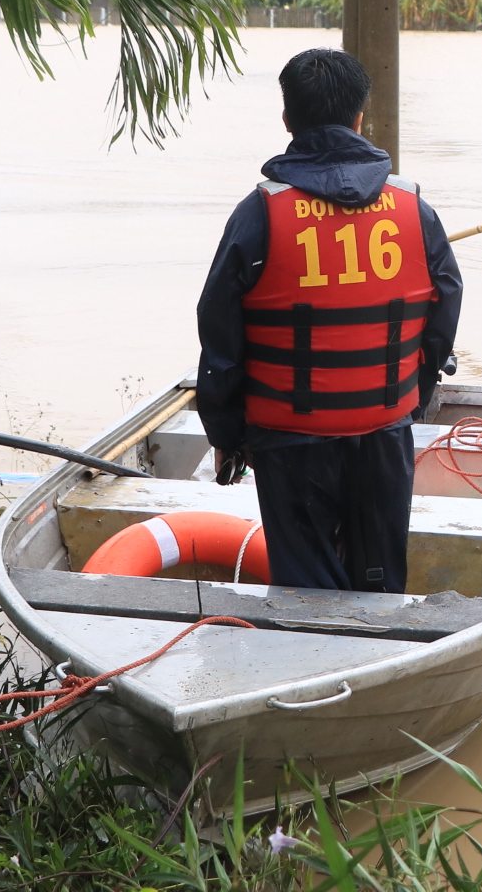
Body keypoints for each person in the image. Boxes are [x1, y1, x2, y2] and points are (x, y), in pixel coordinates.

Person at [194, 48, 463, 594]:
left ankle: (311, 668)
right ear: (360, 118)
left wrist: (225, 434)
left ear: (288, 119)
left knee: (304, 586)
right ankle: (379, 667)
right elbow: (444, 311)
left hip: (287, 440)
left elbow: (219, 334)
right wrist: (413, 396)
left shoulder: (259, 213)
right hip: (386, 430)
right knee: (380, 578)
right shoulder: (414, 209)